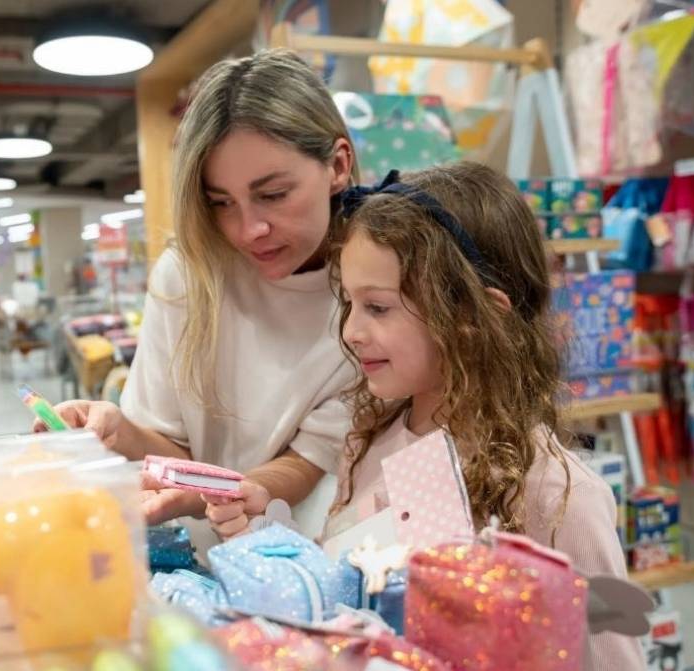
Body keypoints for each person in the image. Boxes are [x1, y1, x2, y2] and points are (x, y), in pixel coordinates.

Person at [205, 162, 643, 669]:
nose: (351, 331)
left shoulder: (558, 494)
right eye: (350, 303)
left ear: (474, 319)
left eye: (379, 307)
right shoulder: (366, 441)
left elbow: (613, 658)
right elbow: (348, 592)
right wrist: (258, 542)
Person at [38, 49, 360, 528]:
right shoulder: (188, 275)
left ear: (337, 166)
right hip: (205, 562)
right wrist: (116, 430)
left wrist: (229, 492)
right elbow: (171, 447)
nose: (249, 229)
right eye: (221, 202)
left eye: (273, 195)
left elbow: (309, 459)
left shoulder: (373, 292)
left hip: (315, 554)